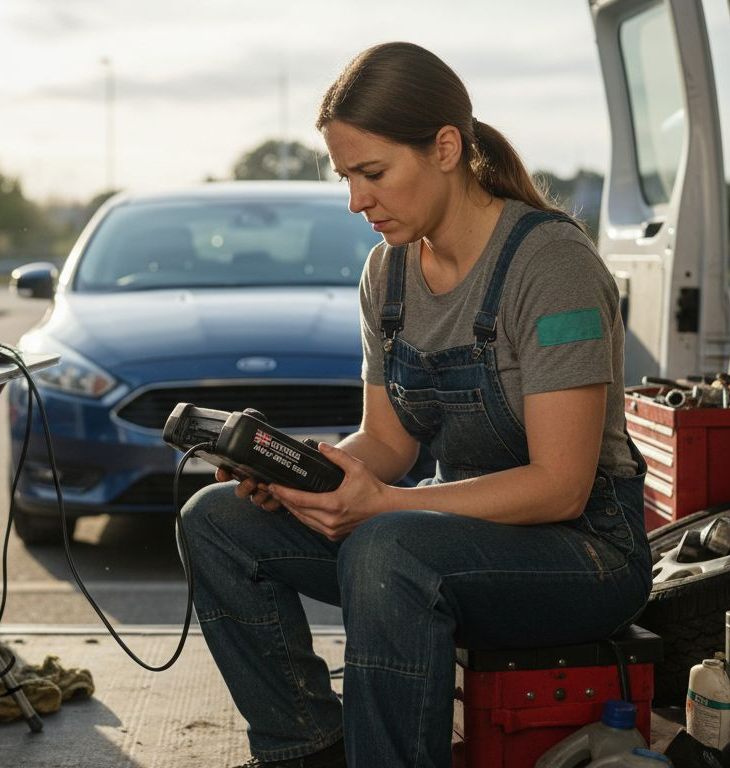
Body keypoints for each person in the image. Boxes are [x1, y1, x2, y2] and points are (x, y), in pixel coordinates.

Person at [180, 41, 651, 768]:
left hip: (585, 551)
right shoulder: (388, 272)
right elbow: (389, 444)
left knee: (384, 547)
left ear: (445, 148)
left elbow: (562, 486)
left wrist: (384, 508)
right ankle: (308, 749)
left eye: (372, 173)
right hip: (443, 530)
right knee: (216, 521)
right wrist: (306, 473)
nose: (356, 201)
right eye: (345, 177)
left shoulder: (551, 266)